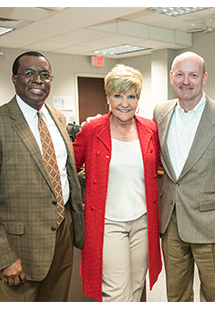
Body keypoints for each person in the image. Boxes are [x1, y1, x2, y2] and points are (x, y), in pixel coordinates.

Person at [153, 51, 215, 302]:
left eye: (193, 74)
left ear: (204, 78)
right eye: (180, 74)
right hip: (171, 221)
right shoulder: (160, 112)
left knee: (214, 296)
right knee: (176, 295)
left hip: (212, 222)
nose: (186, 81)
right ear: (171, 78)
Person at [73, 64, 162, 302]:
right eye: (118, 95)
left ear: (138, 99)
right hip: (108, 223)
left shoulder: (150, 129)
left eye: (131, 96)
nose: (125, 103)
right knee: (116, 291)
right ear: (108, 98)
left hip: (142, 222)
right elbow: (70, 166)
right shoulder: (93, 129)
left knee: (135, 287)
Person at [0, 51, 84, 302]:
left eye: (45, 75)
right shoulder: (2, 121)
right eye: (29, 73)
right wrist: (5, 256)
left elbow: (63, 174)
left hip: (62, 236)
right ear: (15, 79)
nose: (38, 80)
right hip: (19, 246)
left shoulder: (58, 119)